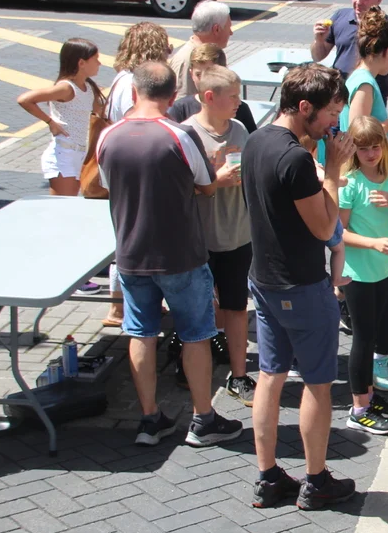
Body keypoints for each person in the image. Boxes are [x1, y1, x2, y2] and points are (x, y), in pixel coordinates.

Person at [95, 61, 243, 448]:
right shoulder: (180, 136)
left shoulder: (109, 137)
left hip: (131, 254)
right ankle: (203, 419)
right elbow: (206, 187)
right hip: (181, 255)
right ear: (174, 95)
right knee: (196, 336)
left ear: (134, 92)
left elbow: (109, 186)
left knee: (141, 333)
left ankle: (149, 419)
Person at [242, 64, 358, 510]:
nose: (334, 124)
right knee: (318, 382)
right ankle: (316, 480)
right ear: (305, 106)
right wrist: (333, 169)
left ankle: (268, 476)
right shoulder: (294, 159)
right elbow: (325, 227)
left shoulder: (256, 140)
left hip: (264, 278)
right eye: (331, 114)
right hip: (302, 285)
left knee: (270, 375)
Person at [181, 66, 255, 407]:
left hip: (238, 235)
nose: (239, 102)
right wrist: (215, 180)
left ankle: (239, 376)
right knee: (197, 309)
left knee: (236, 307)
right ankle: (192, 368)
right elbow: (177, 189)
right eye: (233, 96)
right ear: (209, 97)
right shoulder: (187, 134)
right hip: (199, 238)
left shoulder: (239, 129)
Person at [102, 22, 174, 328]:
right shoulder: (134, 84)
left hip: (121, 168)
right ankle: (120, 307)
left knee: (125, 234)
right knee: (131, 238)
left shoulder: (121, 79)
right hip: (138, 168)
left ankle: (123, 305)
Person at [338, 115, 388, 435]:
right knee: (363, 341)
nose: (370, 154)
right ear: (353, 149)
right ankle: (358, 409)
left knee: (377, 334)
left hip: (381, 270)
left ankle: (368, 395)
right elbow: (339, 233)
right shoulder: (350, 183)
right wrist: (374, 243)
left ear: (385, 146)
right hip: (357, 273)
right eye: (363, 148)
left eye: (375, 147)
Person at [18, 38, 104, 198]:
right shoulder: (66, 88)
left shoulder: (89, 87)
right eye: (96, 59)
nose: (100, 63)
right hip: (63, 155)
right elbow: (25, 99)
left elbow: (101, 112)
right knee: (62, 206)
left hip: (80, 154)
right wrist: (50, 122)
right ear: (81, 63)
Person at [326, 7, 388, 167]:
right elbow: (359, 135)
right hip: (367, 173)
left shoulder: (359, 76)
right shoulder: (365, 84)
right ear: (387, 51)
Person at [311, 0, 388, 98]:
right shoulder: (339, 17)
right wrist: (319, 40)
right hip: (339, 94)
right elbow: (317, 56)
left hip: (370, 95)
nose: (358, 1)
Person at [166, 43, 257, 132]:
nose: (203, 79)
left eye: (210, 73)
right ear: (191, 74)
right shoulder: (180, 109)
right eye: (198, 74)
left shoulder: (239, 109)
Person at [107, 22, 173, 123]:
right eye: (166, 48)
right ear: (156, 51)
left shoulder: (125, 76)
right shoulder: (131, 82)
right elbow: (136, 123)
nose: (169, 53)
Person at [169, 0, 233, 99]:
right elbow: (183, 103)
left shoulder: (211, 53)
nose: (231, 33)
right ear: (216, 29)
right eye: (228, 27)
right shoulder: (187, 60)